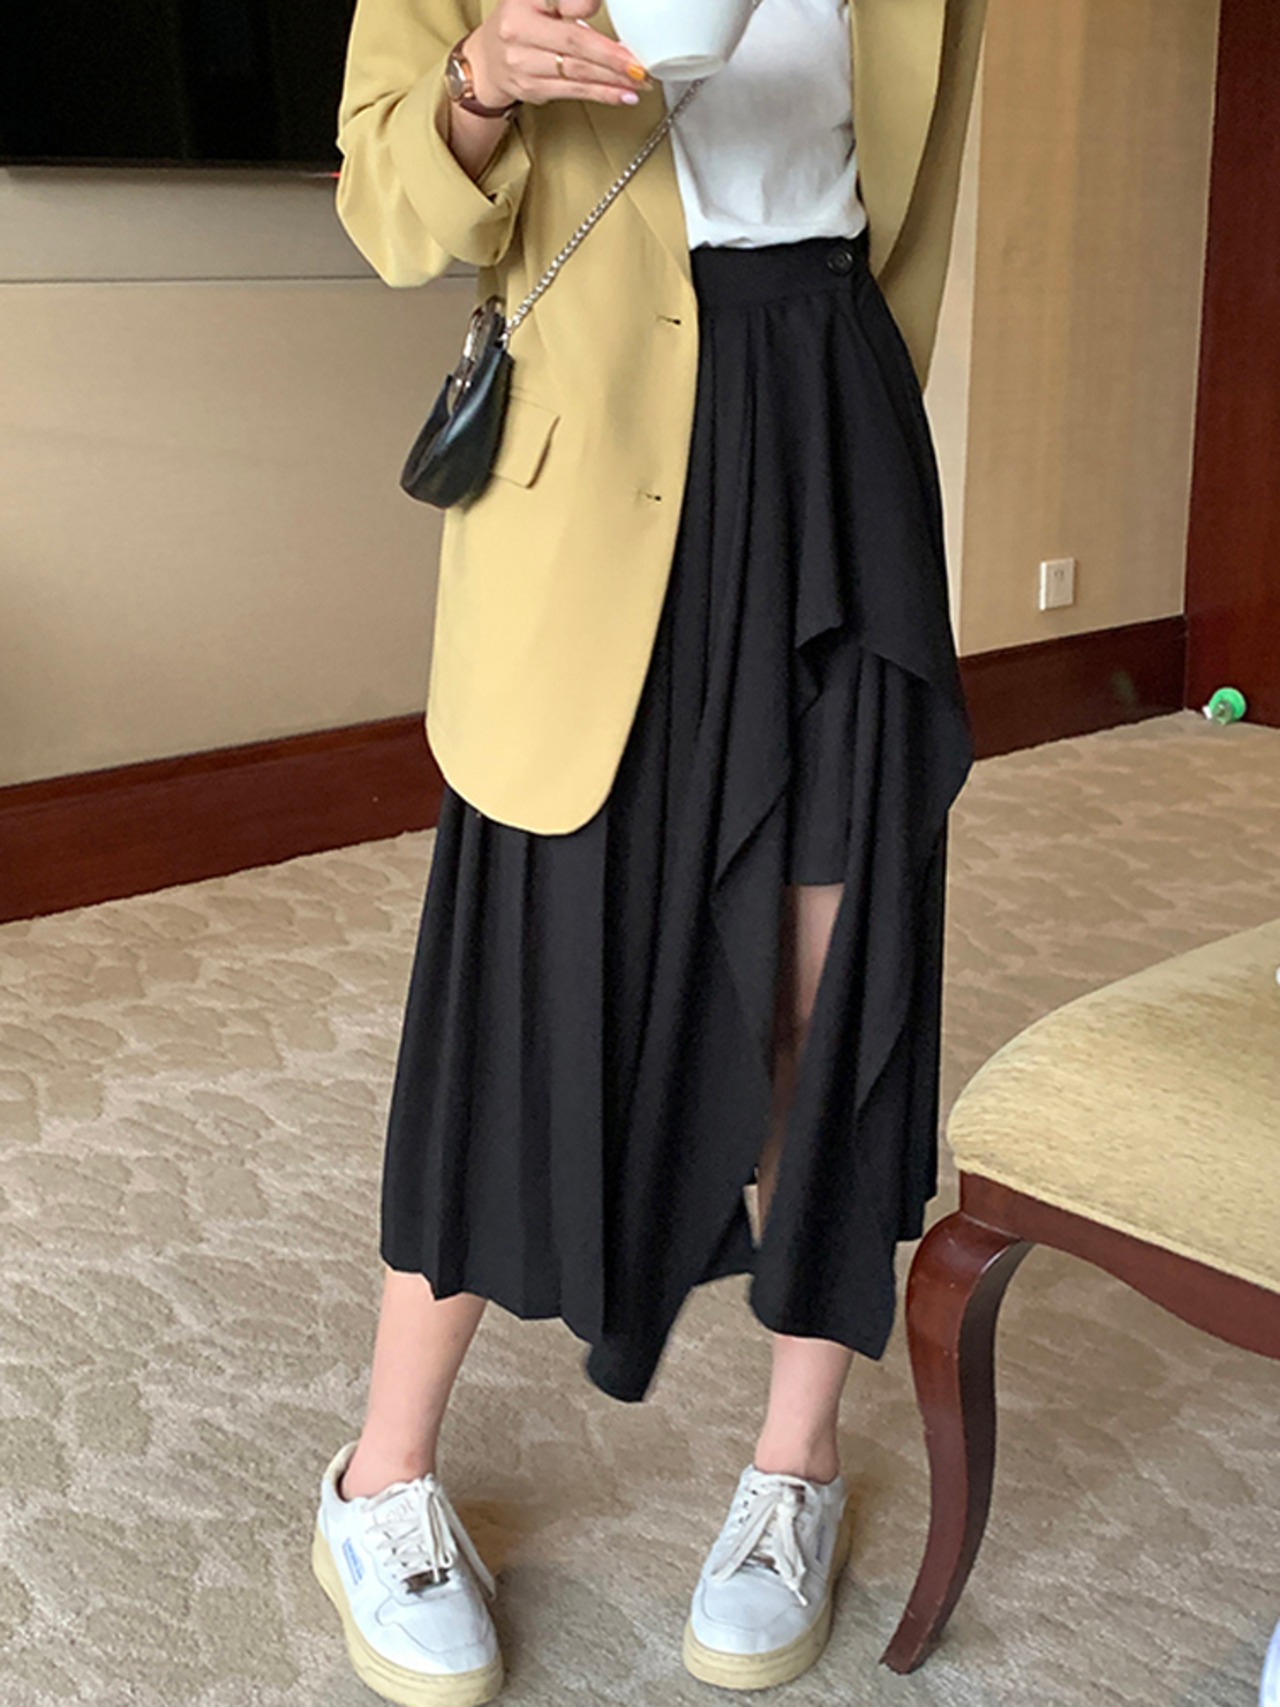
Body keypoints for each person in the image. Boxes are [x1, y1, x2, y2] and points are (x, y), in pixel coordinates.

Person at [311, 0, 986, 1701]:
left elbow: (906, 211)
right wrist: (477, 83)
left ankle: (796, 1468)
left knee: (828, 979)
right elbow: (388, 209)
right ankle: (379, 1479)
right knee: (537, 986)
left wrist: (849, 431)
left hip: (835, 439)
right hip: (590, 461)